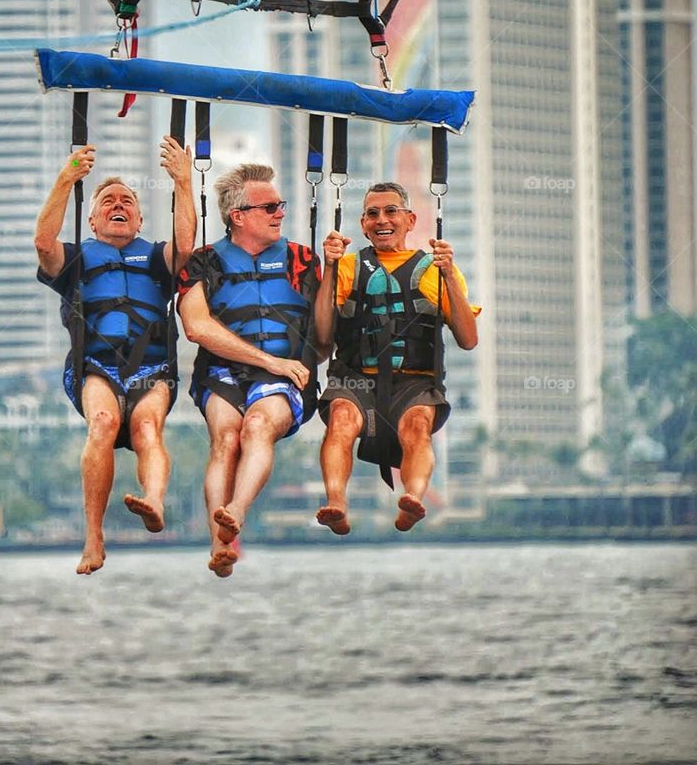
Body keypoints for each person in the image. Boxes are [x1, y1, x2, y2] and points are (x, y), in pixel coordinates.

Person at [35, 137, 195, 575]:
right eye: (108, 201)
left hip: (153, 366)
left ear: (141, 218)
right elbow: (44, 243)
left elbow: (186, 245)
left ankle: (154, 501)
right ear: (92, 218)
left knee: (147, 428)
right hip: (96, 367)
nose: (118, 204)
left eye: (127, 200)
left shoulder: (157, 256)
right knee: (103, 423)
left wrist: (183, 180)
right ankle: (93, 536)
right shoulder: (77, 258)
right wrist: (67, 178)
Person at [177, 163, 320, 577]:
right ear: (238, 216)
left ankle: (235, 513)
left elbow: (324, 330)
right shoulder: (204, 263)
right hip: (224, 374)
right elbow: (196, 326)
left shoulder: (302, 260)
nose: (280, 212)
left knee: (256, 426)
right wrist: (268, 361)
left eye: (281, 205)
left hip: (284, 379)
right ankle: (218, 545)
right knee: (225, 439)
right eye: (270, 206)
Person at [314, 180, 479, 535]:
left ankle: (413, 500)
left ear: (410, 220)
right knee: (340, 420)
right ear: (362, 224)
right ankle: (336, 503)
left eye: (391, 211)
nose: (381, 219)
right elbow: (324, 336)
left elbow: (468, 339)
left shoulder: (435, 270)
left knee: (417, 426)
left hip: (414, 380)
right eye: (372, 213)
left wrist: (449, 274)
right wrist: (328, 267)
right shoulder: (346, 267)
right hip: (355, 378)